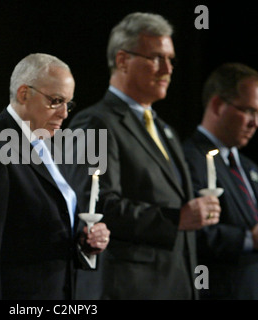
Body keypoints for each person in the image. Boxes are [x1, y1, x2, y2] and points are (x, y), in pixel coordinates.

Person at [64, 12, 221, 300]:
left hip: (176, 284)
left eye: (171, 59)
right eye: (156, 58)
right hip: (128, 288)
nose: (168, 69)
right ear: (123, 60)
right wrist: (176, 219)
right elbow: (96, 204)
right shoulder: (95, 123)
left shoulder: (164, 129)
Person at [0, 53, 110, 300]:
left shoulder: (51, 144)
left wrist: (85, 241)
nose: (64, 114)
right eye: (56, 101)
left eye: (68, 104)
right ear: (23, 93)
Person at [183, 62, 258, 299]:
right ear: (217, 104)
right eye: (248, 111)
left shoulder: (249, 167)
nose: (254, 123)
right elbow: (190, 231)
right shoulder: (187, 158)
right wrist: (249, 239)